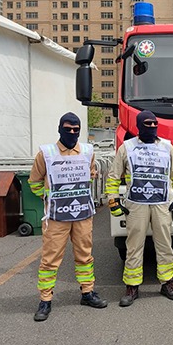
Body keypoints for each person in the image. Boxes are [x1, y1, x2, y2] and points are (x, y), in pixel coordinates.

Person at [28, 112, 107, 322]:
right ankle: (45, 300)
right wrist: (49, 198)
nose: (72, 132)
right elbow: (34, 182)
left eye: (76, 129)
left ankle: (87, 292)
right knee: (50, 260)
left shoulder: (88, 151)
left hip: (82, 215)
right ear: (59, 129)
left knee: (85, 256)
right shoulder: (46, 154)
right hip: (56, 217)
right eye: (68, 129)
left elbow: (91, 175)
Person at [105, 110, 173, 307]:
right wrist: (113, 201)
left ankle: (167, 283)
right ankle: (132, 286)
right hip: (136, 204)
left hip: (161, 203)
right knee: (134, 245)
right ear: (139, 126)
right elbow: (113, 176)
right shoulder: (126, 148)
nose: (152, 127)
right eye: (147, 124)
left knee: (164, 244)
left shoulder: (167, 147)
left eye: (154, 124)